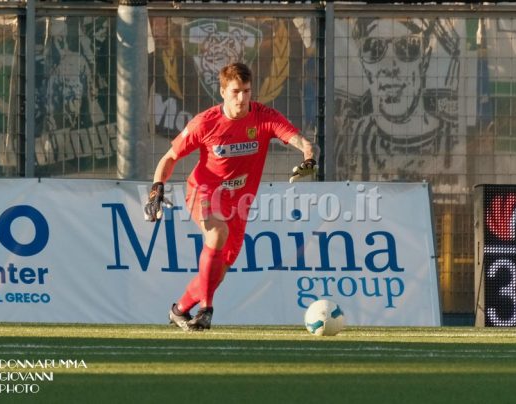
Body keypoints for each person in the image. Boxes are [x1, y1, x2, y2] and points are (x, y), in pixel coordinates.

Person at [143, 62, 319, 331]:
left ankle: (179, 310)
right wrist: (157, 188)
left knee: (219, 271)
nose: (242, 98)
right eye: (236, 91)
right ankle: (206, 310)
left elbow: (300, 140)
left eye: (247, 91)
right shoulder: (205, 123)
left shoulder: (263, 116)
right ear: (223, 91)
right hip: (203, 192)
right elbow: (170, 157)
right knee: (217, 232)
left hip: (239, 203)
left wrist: (309, 157)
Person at [336, 17, 461, 182]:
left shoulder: (453, 140)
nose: (390, 67)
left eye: (407, 48)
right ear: (362, 63)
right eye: (374, 49)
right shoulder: (351, 138)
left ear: (425, 58)